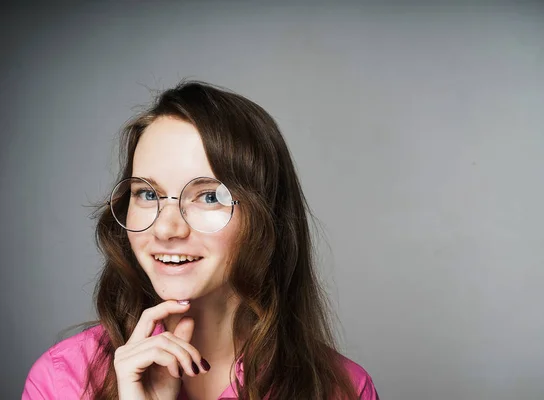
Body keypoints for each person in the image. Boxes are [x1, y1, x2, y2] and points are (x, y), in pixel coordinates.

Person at [22, 81, 379, 399]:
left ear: (267, 217)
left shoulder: (342, 389)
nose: (166, 229)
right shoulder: (62, 381)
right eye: (147, 194)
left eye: (208, 196)